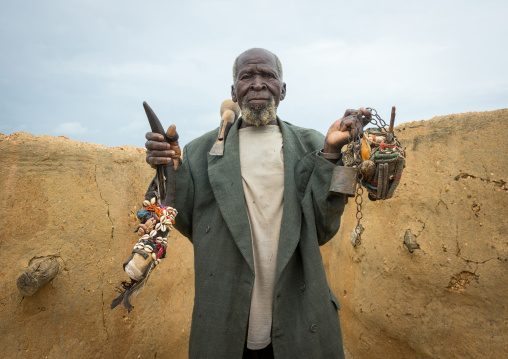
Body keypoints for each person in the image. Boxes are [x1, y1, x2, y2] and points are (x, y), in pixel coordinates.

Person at [145, 48, 370, 359]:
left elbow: (322, 229)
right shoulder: (199, 152)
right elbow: (180, 219)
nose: (258, 83)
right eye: (246, 76)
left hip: (300, 319)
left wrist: (332, 152)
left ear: (283, 89)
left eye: (268, 76)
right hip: (224, 321)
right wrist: (169, 168)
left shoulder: (312, 145)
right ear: (234, 91)